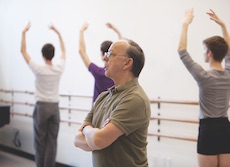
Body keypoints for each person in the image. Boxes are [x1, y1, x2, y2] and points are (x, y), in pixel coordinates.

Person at [74, 38, 151, 167]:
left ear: (127, 63)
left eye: (110, 54)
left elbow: (98, 140)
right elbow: (77, 140)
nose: (105, 58)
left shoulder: (135, 99)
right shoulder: (103, 97)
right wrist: (94, 134)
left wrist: (87, 129)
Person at [177, 8, 230, 167]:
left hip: (208, 130)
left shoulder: (204, 77)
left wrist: (185, 23)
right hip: (225, 129)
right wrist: (223, 26)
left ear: (209, 53)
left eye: (204, 49)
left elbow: (182, 51)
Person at [21, 22, 66, 167]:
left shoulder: (38, 68)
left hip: (41, 107)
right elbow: (64, 52)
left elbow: (23, 51)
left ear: (42, 55)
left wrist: (24, 32)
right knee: (52, 141)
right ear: (53, 55)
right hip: (54, 107)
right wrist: (58, 33)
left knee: (40, 141)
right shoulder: (58, 68)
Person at [79, 22, 122, 102]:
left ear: (102, 54)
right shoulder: (118, 73)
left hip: (98, 112)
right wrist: (117, 31)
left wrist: (81, 31)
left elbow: (82, 51)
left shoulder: (98, 72)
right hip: (113, 111)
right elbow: (123, 49)